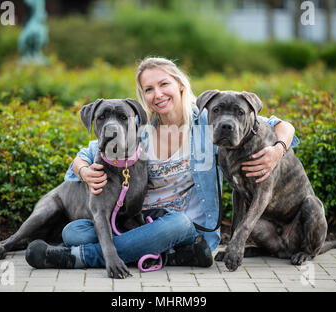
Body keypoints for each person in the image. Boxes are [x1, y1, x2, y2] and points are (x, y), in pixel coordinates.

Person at [25, 57, 299, 270]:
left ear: (179, 84)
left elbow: (279, 125)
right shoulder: (141, 132)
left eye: (163, 84)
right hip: (138, 223)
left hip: (187, 227)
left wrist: (278, 149)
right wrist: (83, 170)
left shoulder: (208, 123)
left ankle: (80, 258)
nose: (158, 94)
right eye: (149, 89)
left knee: (175, 224)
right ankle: (169, 255)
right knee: (74, 231)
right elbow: (86, 153)